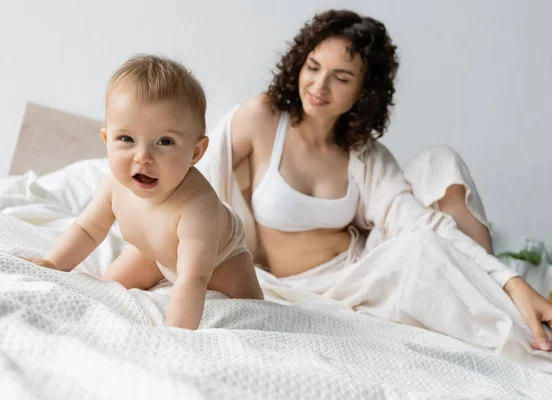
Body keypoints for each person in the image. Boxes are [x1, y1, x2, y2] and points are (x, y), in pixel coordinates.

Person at [201, 10, 552, 350]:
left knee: (439, 165)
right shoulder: (263, 117)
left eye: (341, 78)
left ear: (364, 91)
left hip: (368, 264)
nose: (319, 86)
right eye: (313, 67)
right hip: (315, 285)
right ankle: (521, 315)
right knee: (421, 250)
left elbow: (421, 223)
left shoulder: (363, 153)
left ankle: (515, 297)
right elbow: (195, 180)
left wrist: (513, 281)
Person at [24, 55, 263, 330]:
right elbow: (88, 229)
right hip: (155, 251)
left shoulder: (198, 207)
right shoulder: (113, 187)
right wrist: (53, 263)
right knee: (107, 287)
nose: (143, 157)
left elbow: (193, 278)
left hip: (222, 259)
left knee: (254, 312)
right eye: (126, 139)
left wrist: (174, 334)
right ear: (107, 140)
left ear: (196, 152)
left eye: (165, 141)